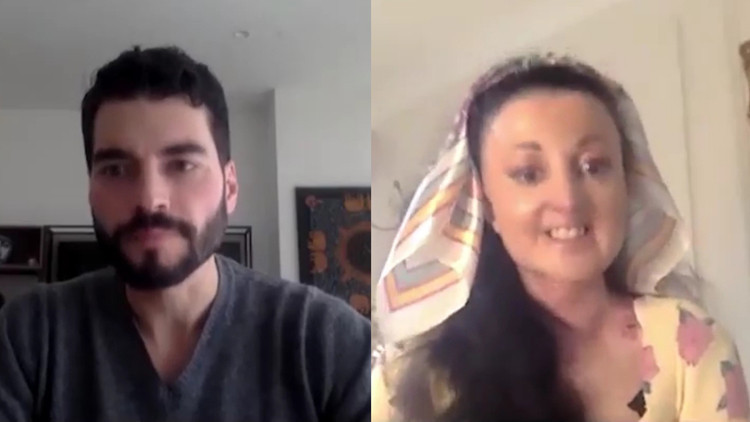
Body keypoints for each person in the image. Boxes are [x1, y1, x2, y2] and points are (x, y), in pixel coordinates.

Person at [371, 53, 750, 422]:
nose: (568, 200)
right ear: (485, 205)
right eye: (529, 174)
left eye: (593, 166)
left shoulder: (690, 347)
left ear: (627, 185)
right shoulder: (409, 379)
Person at [0, 46, 371, 422]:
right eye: (115, 169)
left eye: (182, 165)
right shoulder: (28, 335)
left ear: (230, 186)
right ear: (91, 189)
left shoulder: (328, 342)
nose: (150, 200)